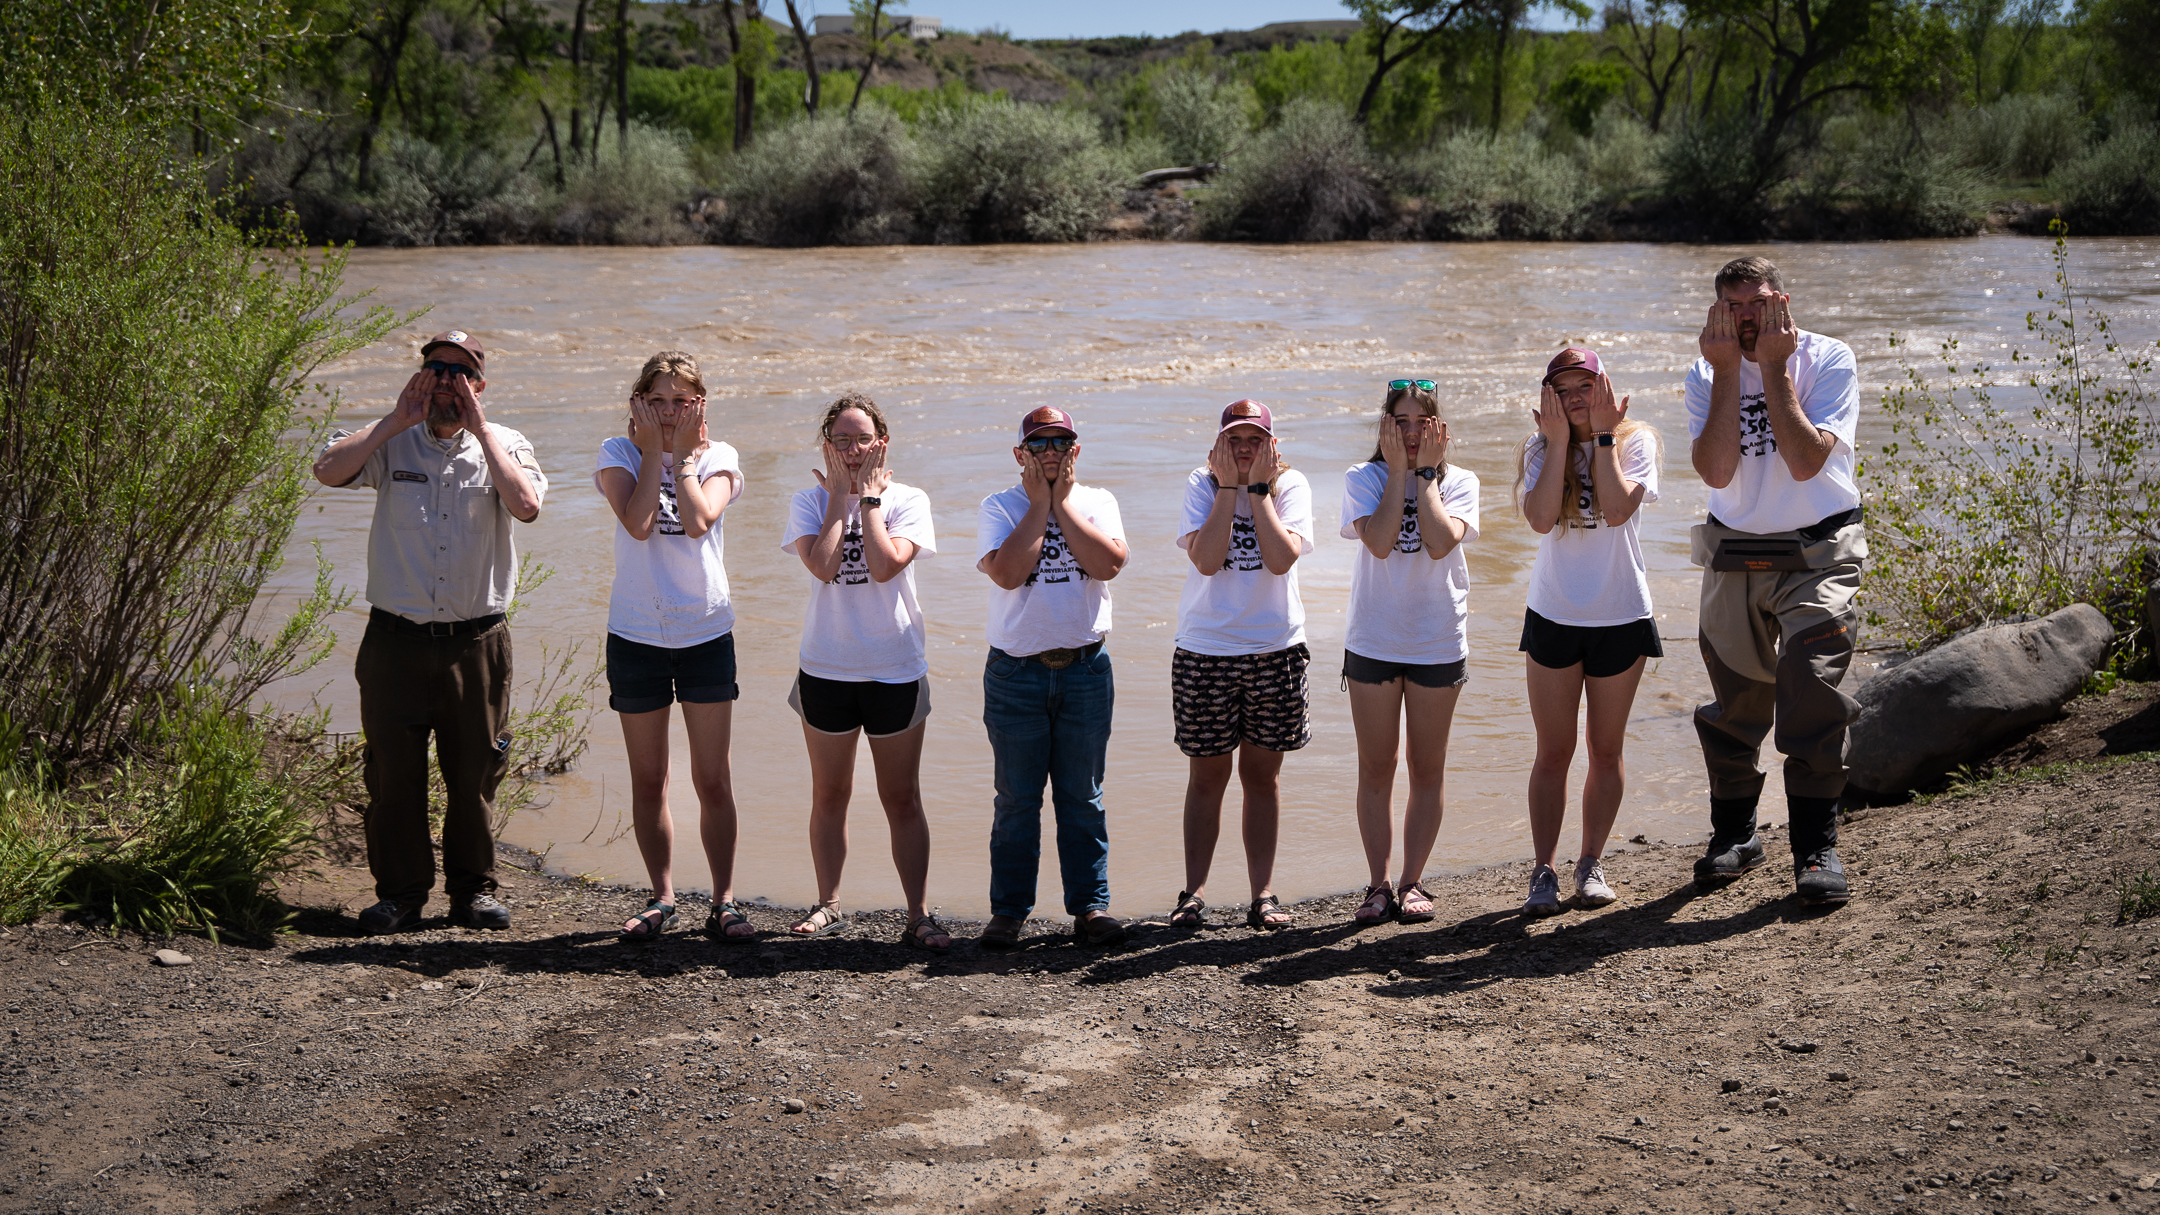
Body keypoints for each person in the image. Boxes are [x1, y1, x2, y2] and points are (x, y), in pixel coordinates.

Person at [314, 330, 546, 934]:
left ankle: (474, 893)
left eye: (459, 372)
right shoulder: (391, 439)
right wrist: (396, 419)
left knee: (474, 776)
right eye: (436, 368)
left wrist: (482, 429)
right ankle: (400, 895)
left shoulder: (507, 444)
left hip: (476, 642)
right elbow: (327, 471)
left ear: (479, 385)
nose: (446, 381)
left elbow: (526, 506)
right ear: (420, 376)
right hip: (395, 640)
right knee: (393, 776)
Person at [1685, 256, 1865, 906]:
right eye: (1733, 307)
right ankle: (1736, 836)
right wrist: (1728, 371)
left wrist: (1773, 367)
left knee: (1811, 686)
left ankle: (1816, 847)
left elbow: (1806, 460)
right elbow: (1715, 471)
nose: (1746, 317)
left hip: (1819, 547)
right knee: (1735, 704)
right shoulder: (1705, 369)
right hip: (1735, 550)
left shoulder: (1828, 357)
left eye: (1757, 303)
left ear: (1782, 302)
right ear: (1718, 311)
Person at [593, 350, 754, 943]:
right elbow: (639, 524)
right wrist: (651, 454)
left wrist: (682, 458)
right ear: (637, 402)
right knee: (649, 779)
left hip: (704, 633)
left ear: (699, 405)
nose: (667, 410)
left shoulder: (719, 456)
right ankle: (662, 897)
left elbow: (696, 521)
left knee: (713, 779)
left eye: (680, 400)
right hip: (635, 634)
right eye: (656, 399)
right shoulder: (618, 452)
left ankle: (724, 901)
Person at [781, 393, 950, 952]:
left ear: (882, 443)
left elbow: (883, 567)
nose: (852, 450)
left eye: (862, 439)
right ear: (826, 446)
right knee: (829, 794)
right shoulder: (809, 500)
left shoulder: (909, 499)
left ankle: (919, 914)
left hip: (894, 668)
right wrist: (839, 498)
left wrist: (869, 500)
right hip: (826, 667)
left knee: (901, 798)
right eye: (841, 440)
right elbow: (824, 566)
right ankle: (828, 903)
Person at [976, 406, 1130, 950]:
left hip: (1085, 667)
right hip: (1016, 672)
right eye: (1038, 444)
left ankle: (1090, 907)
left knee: (1083, 796)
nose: (1050, 453)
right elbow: (1007, 574)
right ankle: (1009, 912)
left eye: (1060, 443)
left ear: (1075, 451)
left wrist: (1061, 503)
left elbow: (1108, 565)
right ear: (1020, 454)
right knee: (1016, 800)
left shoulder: (1098, 502)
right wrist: (1040, 504)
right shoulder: (999, 505)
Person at [1515, 348, 1663, 916]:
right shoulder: (1539, 447)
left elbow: (1619, 510)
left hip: (1620, 614)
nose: (1575, 397)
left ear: (1604, 387)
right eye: (1563, 389)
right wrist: (1557, 442)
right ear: (1548, 397)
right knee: (1553, 751)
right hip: (1554, 614)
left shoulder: (1634, 440)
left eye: (1586, 385)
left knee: (1605, 748)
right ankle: (1544, 871)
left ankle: (1590, 863)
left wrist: (1601, 437)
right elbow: (1539, 519)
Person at [1163, 400, 1314, 932]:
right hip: (1206, 650)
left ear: (1272, 445)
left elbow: (1280, 558)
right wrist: (1228, 487)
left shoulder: (1290, 485)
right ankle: (1193, 893)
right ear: (1219, 443)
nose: (1244, 448)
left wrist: (1258, 489)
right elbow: (1206, 560)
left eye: (1255, 439)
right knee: (1207, 777)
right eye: (1234, 439)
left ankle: (1262, 895)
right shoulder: (1201, 484)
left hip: (1275, 649)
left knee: (1262, 779)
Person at [1337, 380, 1478, 927]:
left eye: (1422, 423)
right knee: (1376, 767)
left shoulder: (1460, 481)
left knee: (1427, 768)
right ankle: (1378, 883)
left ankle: (1412, 880)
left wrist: (1425, 476)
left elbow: (1440, 543)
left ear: (1440, 430)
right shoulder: (1363, 477)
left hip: (1437, 640)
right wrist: (1398, 472)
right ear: (1384, 428)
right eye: (1401, 422)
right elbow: (1378, 541)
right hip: (1374, 640)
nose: (1412, 432)